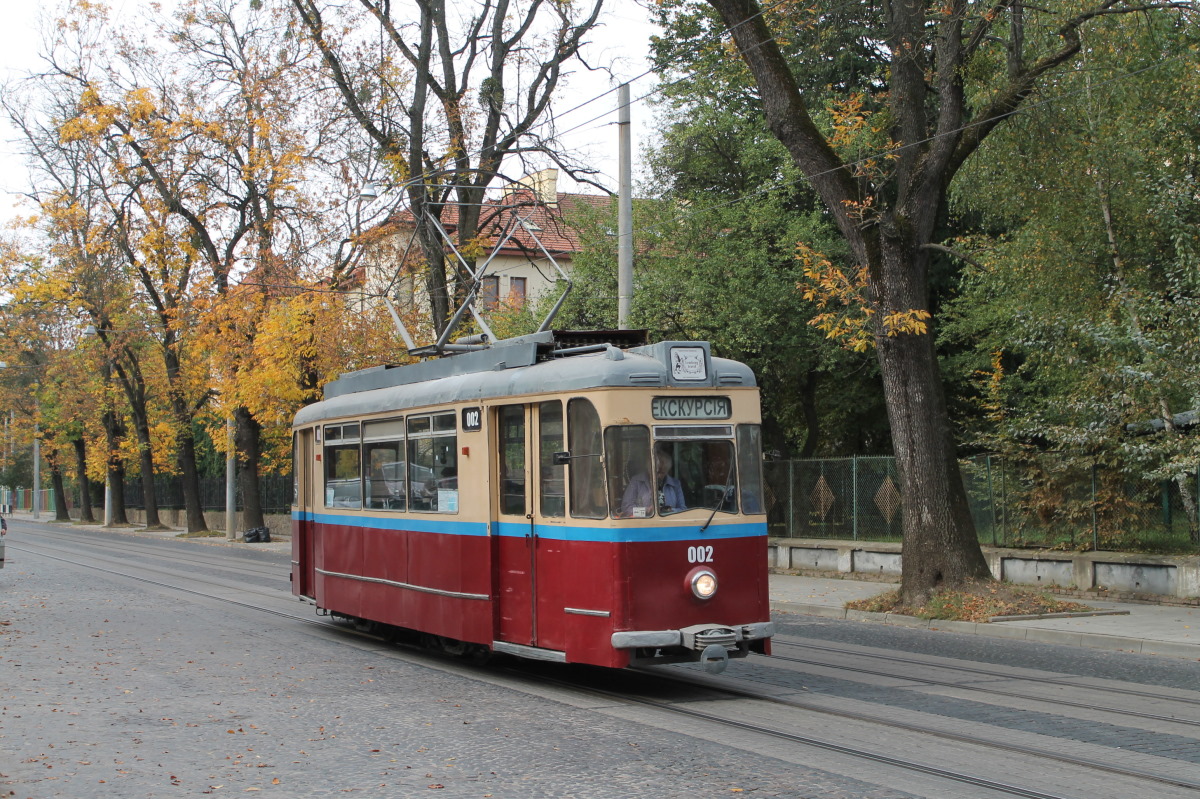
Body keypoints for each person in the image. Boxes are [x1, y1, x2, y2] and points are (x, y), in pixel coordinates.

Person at [619, 449, 686, 517]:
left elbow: (683, 509)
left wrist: (669, 511)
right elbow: (626, 508)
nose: (659, 476)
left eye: (662, 473)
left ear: (667, 471)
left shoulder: (675, 484)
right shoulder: (636, 481)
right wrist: (646, 511)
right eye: (657, 472)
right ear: (649, 468)